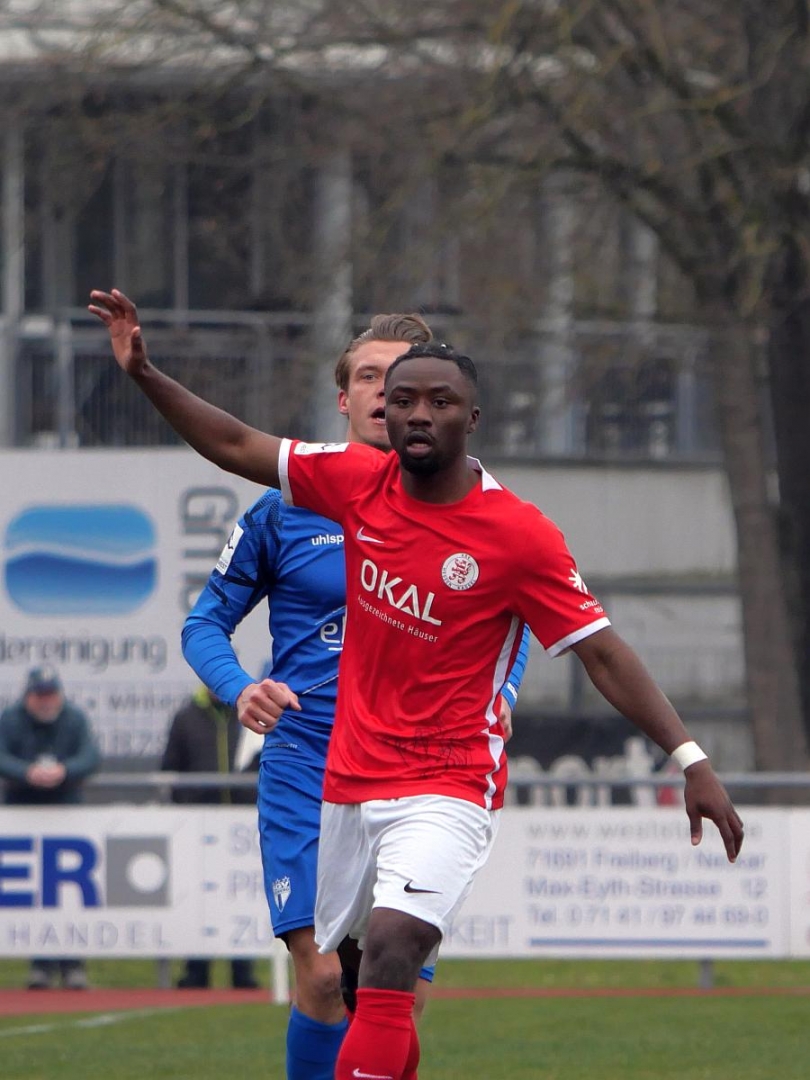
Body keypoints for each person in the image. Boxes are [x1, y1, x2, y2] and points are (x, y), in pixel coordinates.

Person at [90, 288, 744, 1080]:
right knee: (339, 979)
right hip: (331, 770)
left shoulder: (516, 533)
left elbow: (590, 650)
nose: (411, 410)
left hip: (445, 776)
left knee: (393, 958)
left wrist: (688, 757)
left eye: (436, 397)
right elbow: (231, 446)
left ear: (473, 416)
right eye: (394, 393)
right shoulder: (338, 488)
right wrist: (144, 372)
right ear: (360, 403)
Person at [179, 311, 530, 1078]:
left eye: (402, 380)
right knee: (323, 976)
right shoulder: (284, 508)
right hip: (309, 758)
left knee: (393, 989)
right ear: (345, 398)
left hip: (422, 766)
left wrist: (499, 692)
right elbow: (204, 623)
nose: (385, 393)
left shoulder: (474, 506)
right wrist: (241, 688)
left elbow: (518, 623)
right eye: (370, 377)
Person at [0, 665, 101, 990]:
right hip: (24, 816)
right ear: (28, 696)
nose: (45, 701)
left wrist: (64, 771)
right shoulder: (11, 719)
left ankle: (73, 963)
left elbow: (91, 756)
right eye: (39, 695)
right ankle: (40, 963)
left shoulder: (73, 718)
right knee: (34, 891)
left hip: (66, 815)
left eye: (50, 694)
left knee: (69, 893)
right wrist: (26, 772)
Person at [160, 685, 260, 990]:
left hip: (242, 825)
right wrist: (186, 806)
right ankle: (196, 971)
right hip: (198, 824)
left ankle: (243, 971)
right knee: (197, 897)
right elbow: (170, 768)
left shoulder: (250, 714)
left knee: (240, 894)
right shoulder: (186, 717)